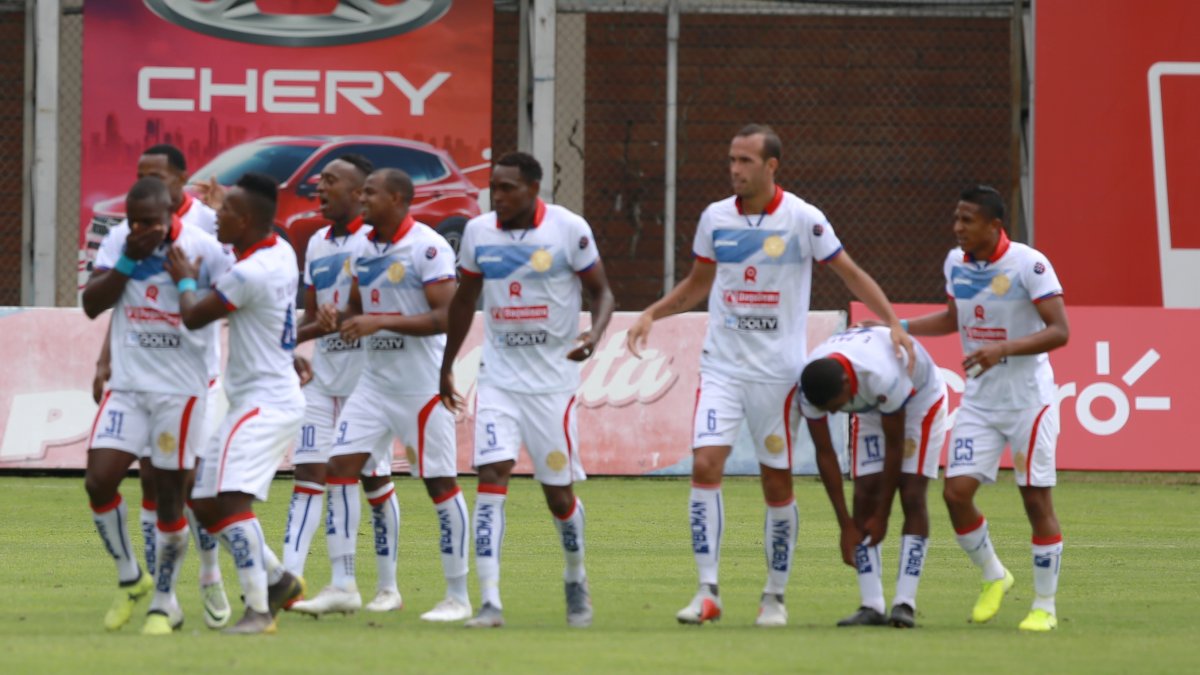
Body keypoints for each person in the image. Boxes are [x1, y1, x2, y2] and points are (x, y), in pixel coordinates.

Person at [625, 124, 914, 627]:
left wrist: (892, 321)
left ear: (771, 166)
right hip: (722, 367)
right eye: (731, 160)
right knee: (706, 465)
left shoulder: (803, 218)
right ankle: (707, 591)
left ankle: (774, 597)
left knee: (776, 482)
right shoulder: (715, 218)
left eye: (746, 161)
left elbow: (848, 271)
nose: (736, 170)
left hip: (778, 377)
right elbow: (698, 284)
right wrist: (652, 313)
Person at [440, 152, 615, 628]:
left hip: (553, 387)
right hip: (499, 380)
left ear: (534, 188)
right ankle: (490, 601)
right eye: (493, 187)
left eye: (507, 188)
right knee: (491, 475)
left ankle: (576, 578)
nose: (497, 197)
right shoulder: (479, 233)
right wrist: (447, 365)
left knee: (558, 495)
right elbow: (464, 300)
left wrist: (594, 335)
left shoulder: (567, 229)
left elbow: (602, 293)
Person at [291, 168, 470, 621]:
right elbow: (357, 306)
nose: (363, 198)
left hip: (419, 386)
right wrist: (340, 316)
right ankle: (343, 585)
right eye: (362, 192)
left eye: (370, 192)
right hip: (373, 384)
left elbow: (445, 317)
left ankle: (458, 595)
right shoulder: (367, 248)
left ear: (397, 197)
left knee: (440, 484)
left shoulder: (428, 246)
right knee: (339, 469)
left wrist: (379, 322)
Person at [901, 185, 1068, 632]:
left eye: (967, 220)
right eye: (956, 218)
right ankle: (995, 574)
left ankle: (1044, 607)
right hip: (980, 400)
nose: (958, 228)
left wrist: (1005, 349)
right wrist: (897, 327)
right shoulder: (956, 263)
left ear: (995, 225)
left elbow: (1060, 331)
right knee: (955, 493)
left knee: (1035, 498)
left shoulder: (1029, 264)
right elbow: (952, 318)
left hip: (1028, 400)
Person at [81, 176, 232, 634]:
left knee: (171, 494)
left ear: (172, 216)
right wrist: (128, 260)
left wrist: (187, 282)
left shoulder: (204, 249)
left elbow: (231, 305)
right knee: (98, 481)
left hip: (181, 391)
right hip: (128, 387)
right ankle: (132, 577)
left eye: (150, 222)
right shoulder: (119, 244)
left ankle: (165, 600)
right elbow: (92, 304)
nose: (141, 228)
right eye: (133, 221)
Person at [167, 172, 307, 634]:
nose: (215, 218)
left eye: (224, 211)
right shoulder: (279, 251)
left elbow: (193, 317)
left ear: (245, 220)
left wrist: (186, 280)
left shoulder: (250, 273)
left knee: (229, 502)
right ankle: (279, 579)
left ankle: (258, 610)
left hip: (262, 404)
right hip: (260, 396)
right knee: (202, 499)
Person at [280, 154, 385, 593]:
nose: (319, 189)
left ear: (360, 193)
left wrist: (348, 318)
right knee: (308, 475)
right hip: (322, 380)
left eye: (330, 181)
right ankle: (287, 580)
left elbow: (385, 311)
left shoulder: (378, 243)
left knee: (373, 479)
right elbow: (308, 318)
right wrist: (302, 336)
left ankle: (387, 585)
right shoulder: (318, 243)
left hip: (369, 381)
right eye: (319, 181)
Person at [800, 326, 947, 628]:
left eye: (836, 405)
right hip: (869, 406)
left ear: (844, 383)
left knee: (911, 493)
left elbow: (895, 448)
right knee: (864, 492)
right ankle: (871, 605)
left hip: (918, 400)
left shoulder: (881, 373)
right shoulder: (810, 388)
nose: (835, 412)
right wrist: (845, 526)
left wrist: (883, 516)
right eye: (827, 410)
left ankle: (904, 603)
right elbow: (825, 454)